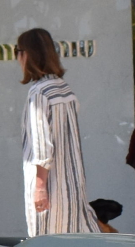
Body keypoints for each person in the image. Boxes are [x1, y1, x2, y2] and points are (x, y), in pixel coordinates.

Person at [17, 28, 93, 236]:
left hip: (51, 188)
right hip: (72, 187)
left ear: (28, 55)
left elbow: (42, 147)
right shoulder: (63, 89)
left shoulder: (39, 92)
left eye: (18, 51)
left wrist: (40, 187)